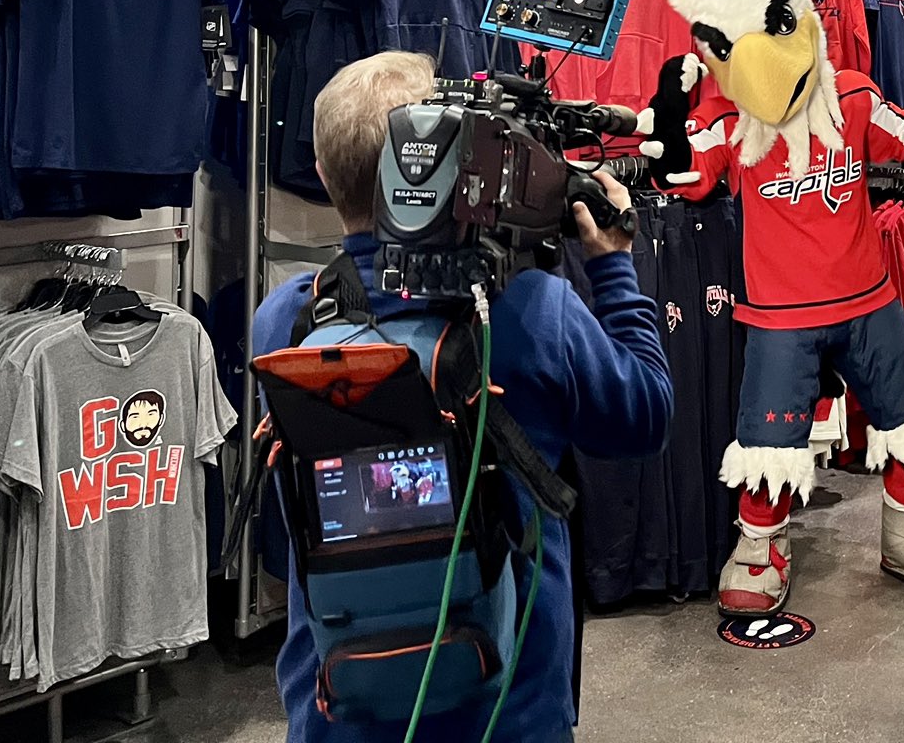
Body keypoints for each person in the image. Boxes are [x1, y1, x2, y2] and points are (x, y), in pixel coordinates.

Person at [253, 52, 672, 743]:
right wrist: (615, 267)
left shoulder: (286, 322)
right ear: (453, 161)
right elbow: (647, 416)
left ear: (325, 179)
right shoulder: (536, 312)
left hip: (338, 713)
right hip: (509, 713)